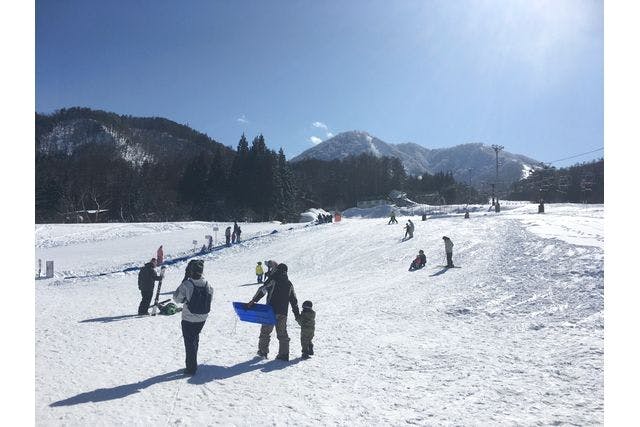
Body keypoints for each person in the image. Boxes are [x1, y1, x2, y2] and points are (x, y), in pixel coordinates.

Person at [246, 263, 300, 361]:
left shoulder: (273, 279)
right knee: (282, 333)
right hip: (283, 312)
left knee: (265, 332)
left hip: (270, 311)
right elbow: (294, 300)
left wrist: (253, 300)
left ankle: (263, 352)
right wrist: (297, 314)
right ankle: (284, 354)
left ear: (277, 270)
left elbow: (262, 290)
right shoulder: (289, 284)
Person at [173, 259, 214, 376]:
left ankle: (191, 368)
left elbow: (176, 298)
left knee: (189, 342)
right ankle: (193, 362)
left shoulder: (187, 284)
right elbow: (210, 298)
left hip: (188, 317)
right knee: (195, 338)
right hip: (202, 317)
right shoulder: (207, 284)